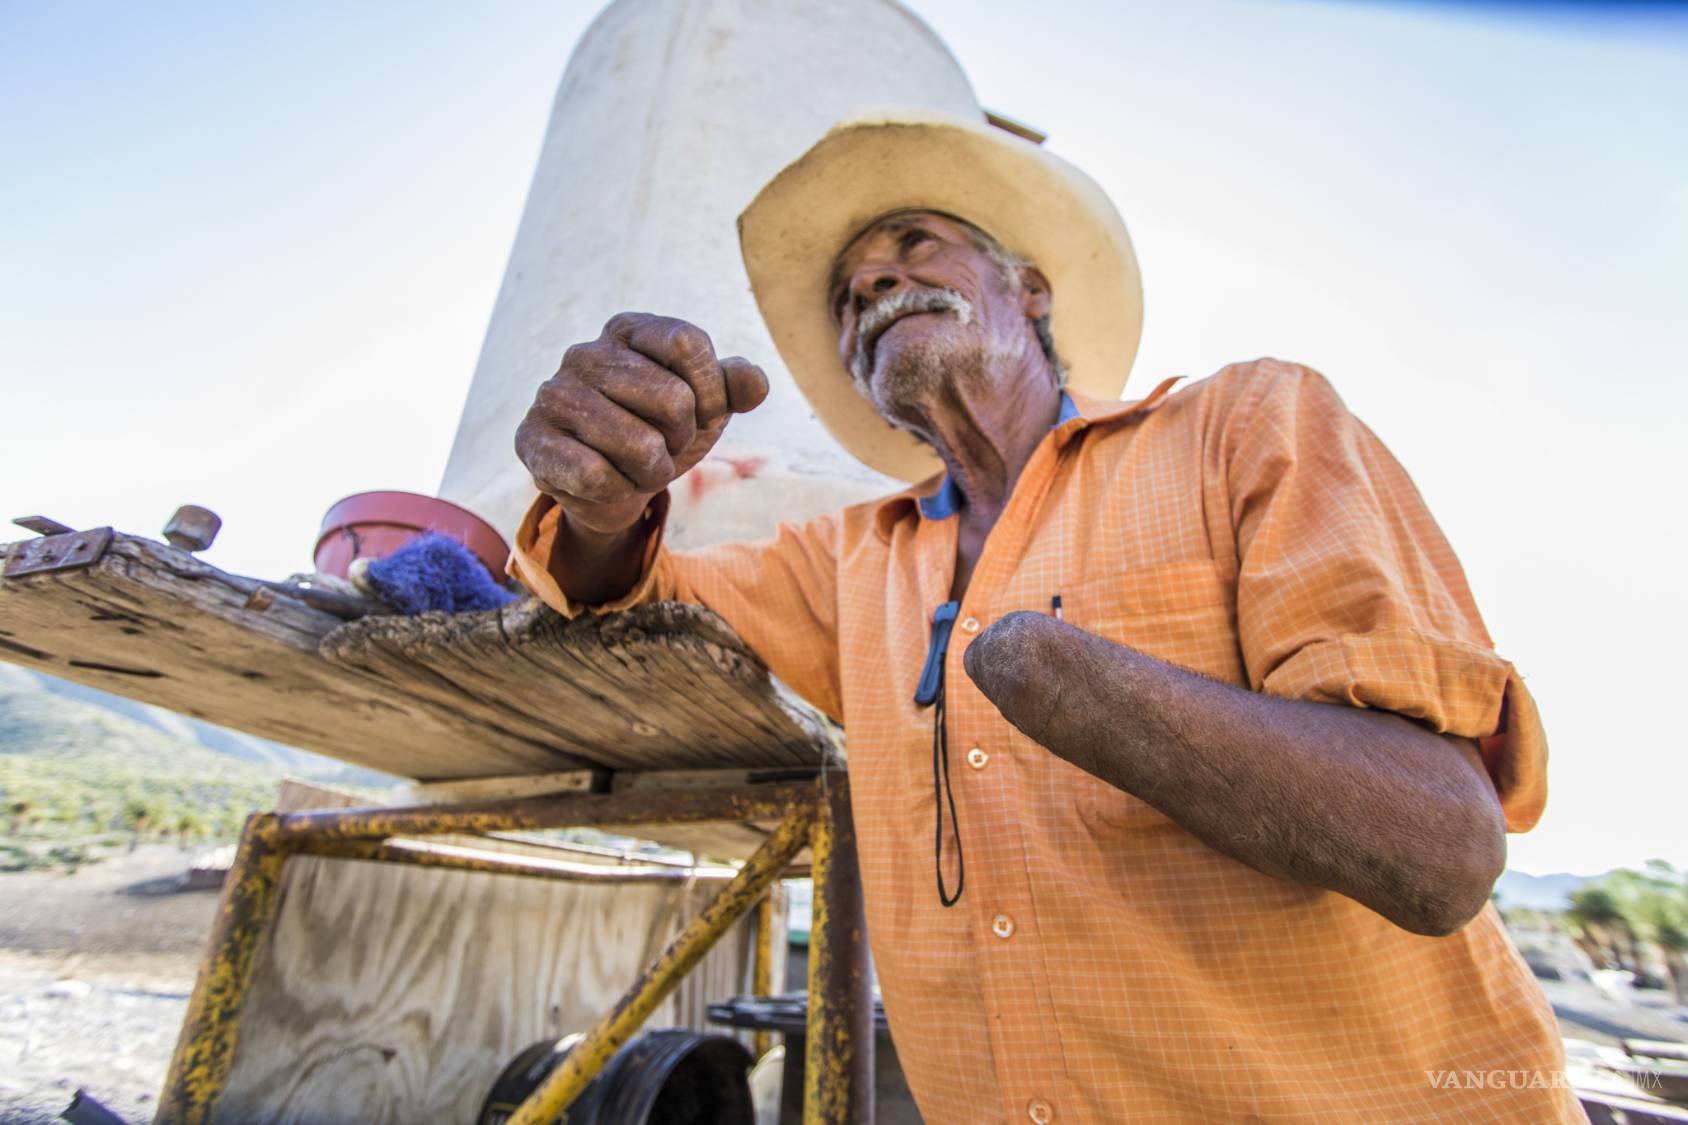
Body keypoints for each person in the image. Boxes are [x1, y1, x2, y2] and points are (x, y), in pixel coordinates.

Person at [509, 108, 1580, 1122]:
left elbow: (1439, 846)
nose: (873, 282)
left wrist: (1064, 683)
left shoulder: (1245, 426)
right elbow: (629, 594)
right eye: (848, 294)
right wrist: (602, 501)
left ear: (1026, 290)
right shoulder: (847, 558)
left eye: (915, 244)